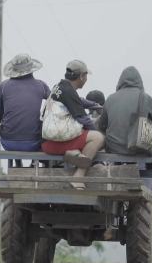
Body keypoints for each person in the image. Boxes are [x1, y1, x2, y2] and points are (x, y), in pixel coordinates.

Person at [41, 60, 105, 189]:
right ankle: (78, 177)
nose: (86, 79)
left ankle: (74, 153)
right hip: (57, 144)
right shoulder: (69, 92)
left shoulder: (59, 87)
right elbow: (85, 120)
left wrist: (93, 105)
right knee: (97, 138)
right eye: (86, 76)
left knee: (84, 134)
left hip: (46, 141)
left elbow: (77, 100)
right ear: (81, 76)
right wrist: (99, 136)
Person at [97, 66, 152, 155]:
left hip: (113, 149)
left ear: (120, 81)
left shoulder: (110, 99)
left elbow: (101, 126)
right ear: (140, 81)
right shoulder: (145, 97)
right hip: (139, 149)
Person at [0, 53, 50, 152]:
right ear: (32, 69)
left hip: (8, 142)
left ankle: (17, 160)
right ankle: (34, 163)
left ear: (14, 70)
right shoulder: (41, 86)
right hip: (34, 142)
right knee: (42, 128)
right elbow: (53, 104)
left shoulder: (3, 87)